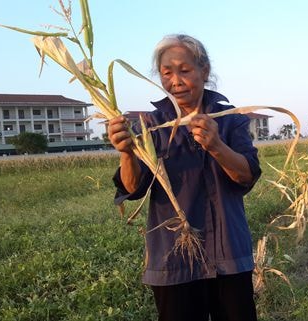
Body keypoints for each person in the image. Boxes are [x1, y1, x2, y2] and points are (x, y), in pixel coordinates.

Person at [108, 34, 261, 321]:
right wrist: (126, 153)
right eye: (167, 73)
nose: (175, 80)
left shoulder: (230, 119)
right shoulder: (151, 126)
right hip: (173, 259)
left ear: (205, 72)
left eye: (184, 70)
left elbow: (247, 175)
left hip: (229, 256)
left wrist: (216, 145)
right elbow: (133, 188)